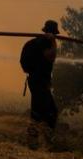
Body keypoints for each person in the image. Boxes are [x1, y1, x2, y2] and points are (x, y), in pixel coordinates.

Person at [20, 19, 60, 150]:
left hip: (39, 81)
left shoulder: (40, 41)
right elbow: (51, 56)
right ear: (52, 32)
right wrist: (53, 41)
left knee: (40, 112)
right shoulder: (44, 41)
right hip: (38, 82)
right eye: (55, 34)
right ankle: (42, 143)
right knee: (50, 112)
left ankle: (36, 142)